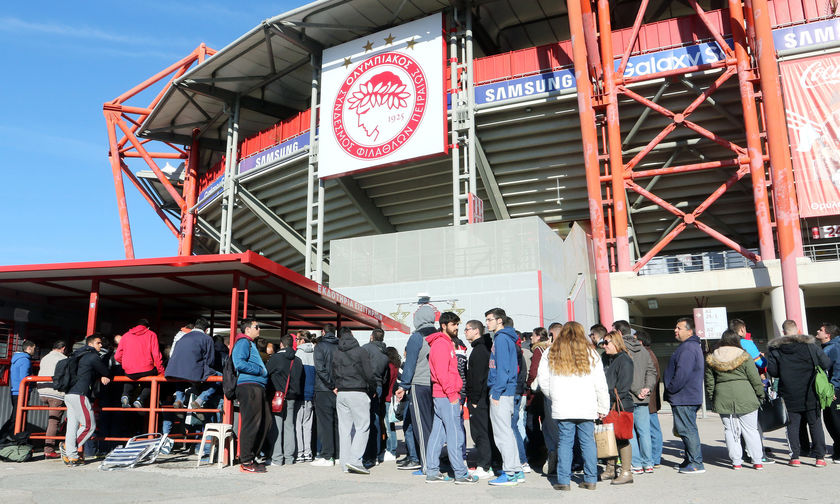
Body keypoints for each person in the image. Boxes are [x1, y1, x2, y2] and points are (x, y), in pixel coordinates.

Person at [535, 321, 609, 491]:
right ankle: (590, 479)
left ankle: (563, 481)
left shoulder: (551, 352)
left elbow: (543, 380)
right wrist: (603, 407)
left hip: (563, 405)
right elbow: (600, 383)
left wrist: (553, 396)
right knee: (588, 442)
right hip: (586, 405)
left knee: (565, 442)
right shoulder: (591, 353)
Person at [424, 311, 479, 484]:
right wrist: (452, 393)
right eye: (453, 324)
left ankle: (432, 471)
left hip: (443, 395)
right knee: (455, 435)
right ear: (444, 326)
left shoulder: (444, 343)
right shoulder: (441, 344)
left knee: (438, 435)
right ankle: (460, 474)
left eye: (457, 324)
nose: (457, 327)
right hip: (447, 396)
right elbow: (441, 372)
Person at [766, 328, 831, 467]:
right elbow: (826, 363)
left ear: (784, 332)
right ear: (798, 331)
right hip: (811, 391)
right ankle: (820, 458)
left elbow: (773, 372)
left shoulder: (775, 349)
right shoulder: (810, 346)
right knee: (815, 424)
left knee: (792, 425)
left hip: (788, 392)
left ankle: (795, 457)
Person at [705, 329, 767, 470]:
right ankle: (757, 460)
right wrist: (760, 394)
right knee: (751, 430)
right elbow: (754, 378)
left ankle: (736, 462)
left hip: (723, 397)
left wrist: (712, 398)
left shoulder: (712, 358)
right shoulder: (744, 356)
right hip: (746, 396)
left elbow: (710, 382)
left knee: (730, 430)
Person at [394, 302, 437, 473]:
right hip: (436, 385)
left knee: (421, 426)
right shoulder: (440, 336)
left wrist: (403, 385)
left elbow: (410, 363)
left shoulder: (416, 337)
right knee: (434, 425)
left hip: (419, 385)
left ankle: (427, 465)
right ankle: (434, 460)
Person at [486, 308, 524, 486]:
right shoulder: (507, 338)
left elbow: (502, 368)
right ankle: (516, 470)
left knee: (502, 434)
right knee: (507, 431)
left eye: (489, 319)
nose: (487, 323)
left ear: (499, 320)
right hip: (507, 390)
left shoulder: (501, 339)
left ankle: (509, 473)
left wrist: (496, 391)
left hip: (501, 390)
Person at [613, 320, 656, 474]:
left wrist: (637, 389)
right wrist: (647, 388)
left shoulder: (620, 349)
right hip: (643, 397)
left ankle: (636, 464)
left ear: (618, 332)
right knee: (644, 431)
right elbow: (652, 371)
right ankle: (648, 463)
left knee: (629, 432)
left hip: (627, 397)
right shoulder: (643, 349)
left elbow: (623, 375)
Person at [61, 335, 110, 466]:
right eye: (99, 343)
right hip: (80, 394)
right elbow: (105, 371)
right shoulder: (93, 357)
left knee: (72, 426)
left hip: (69, 394)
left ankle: (71, 457)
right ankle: (68, 449)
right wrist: (104, 375)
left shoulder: (77, 355)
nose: (101, 345)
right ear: (91, 343)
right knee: (89, 426)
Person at [665, 317, 706, 474]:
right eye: (675, 328)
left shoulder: (688, 348)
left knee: (687, 430)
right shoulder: (689, 346)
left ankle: (696, 463)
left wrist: (671, 388)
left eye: (679, 328)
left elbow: (682, 373)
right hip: (686, 396)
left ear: (690, 331)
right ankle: (690, 459)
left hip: (685, 397)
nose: (675, 330)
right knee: (686, 429)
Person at [332, 327, 374, 474]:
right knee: (362, 426)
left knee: (344, 430)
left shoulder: (336, 353)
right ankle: (355, 460)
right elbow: (369, 373)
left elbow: (333, 372)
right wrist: (373, 389)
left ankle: (345, 464)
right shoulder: (361, 351)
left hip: (342, 392)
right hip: (358, 391)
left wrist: (336, 385)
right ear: (352, 335)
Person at [232, 318, 270, 473]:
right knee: (252, 423)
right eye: (257, 326)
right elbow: (238, 363)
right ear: (247, 329)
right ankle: (246, 460)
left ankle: (250, 457)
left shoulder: (248, 343)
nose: (259, 329)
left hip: (256, 386)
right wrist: (260, 370)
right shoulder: (243, 342)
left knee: (265, 421)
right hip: (249, 386)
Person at [600, 330, 635, 484]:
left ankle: (627, 472)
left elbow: (622, 388)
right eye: (603, 343)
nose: (604, 346)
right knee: (610, 438)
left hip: (620, 405)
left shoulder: (624, 360)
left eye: (607, 342)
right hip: (610, 404)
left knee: (622, 438)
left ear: (616, 343)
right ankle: (610, 469)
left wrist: (606, 396)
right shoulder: (611, 359)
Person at [267, 334, 304, 467]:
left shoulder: (275, 358)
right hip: (293, 397)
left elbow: (267, 374)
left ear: (281, 344)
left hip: (278, 397)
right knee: (290, 427)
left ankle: (277, 458)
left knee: (277, 427)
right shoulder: (298, 360)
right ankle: (289, 458)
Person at [164, 317, 216, 411]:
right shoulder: (207, 339)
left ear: (195, 326)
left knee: (180, 377)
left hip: (173, 371)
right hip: (193, 372)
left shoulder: (182, 336)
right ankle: (199, 400)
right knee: (218, 379)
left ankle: (179, 400)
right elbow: (210, 361)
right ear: (206, 330)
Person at [465, 319, 495, 478]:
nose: (465, 332)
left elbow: (478, 378)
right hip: (483, 398)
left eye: (467, 329)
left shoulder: (479, 351)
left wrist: (474, 400)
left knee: (480, 433)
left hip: (479, 400)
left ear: (476, 331)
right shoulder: (482, 348)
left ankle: (484, 466)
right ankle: (488, 463)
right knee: (484, 431)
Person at [114, 319, 164, 408]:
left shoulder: (125, 336)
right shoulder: (151, 334)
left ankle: (125, 395)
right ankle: (140, 399)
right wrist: (161, 371)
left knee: (130, 378)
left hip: (129, 371)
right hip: (147, 369)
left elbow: (117, 356)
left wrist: (126, 363)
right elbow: (156, 354)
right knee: (151, 382)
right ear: (148, 327)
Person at [312, 324, 340, 467]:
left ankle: (327, 455)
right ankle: (338, 454)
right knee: (336, 422)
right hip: (338, 390)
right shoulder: (340, 345)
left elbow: (320, 369)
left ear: (323, 332)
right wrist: (337, 385)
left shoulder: (320, 346)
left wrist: (330, 385)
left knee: (325, 423)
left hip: (324, 389)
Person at [635, 329, 663, 468]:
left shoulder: (647, 355)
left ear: (640, 342)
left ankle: (655, 458)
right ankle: (654, 458)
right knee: (650, 429)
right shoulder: (647, 353)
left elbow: (653, 376)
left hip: (648, 399)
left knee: (652, 429)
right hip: (648, 398)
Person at [362, 328, 389, 466]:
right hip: (378, 386)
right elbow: (385, 377)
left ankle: (367, 454)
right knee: (376, 418)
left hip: (366, 385)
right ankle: (378, 452)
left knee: (366, 420)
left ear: (372, 336)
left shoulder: (366, 348)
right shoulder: (385, 353)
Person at [37, 340, 67, 458]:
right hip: (55, 392)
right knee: (54, 421)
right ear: (63, 348)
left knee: (52, 420)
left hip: (42, 391)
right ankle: (49, 450)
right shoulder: (63, 359)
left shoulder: (45, 358)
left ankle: (51, 447)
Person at [816, 323, 840, 463]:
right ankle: (837, 450)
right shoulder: (828, 347)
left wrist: (833, 388)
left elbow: (837, 369)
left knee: (836, 421)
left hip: (835, 390)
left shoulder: (834, 347)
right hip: (830, 390)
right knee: (830, 420)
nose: (817, 331)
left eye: (821, 330)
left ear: (828, 335)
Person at [2, 340, 36, 437]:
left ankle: (13, 437)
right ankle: (6, 437)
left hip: (15, 391)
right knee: (17, 417)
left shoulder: (17, 359)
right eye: (34, 348)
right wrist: (34, 382)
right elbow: (24, 377)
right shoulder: (25, 360)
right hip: (22, 392)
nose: (35, 351)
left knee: (17, 416)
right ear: (29, 348)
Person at [295, 331, 316, 463]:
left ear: (302, 341)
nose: (296, 341)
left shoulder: (298, 354)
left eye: (297, 339)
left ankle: (300, 452)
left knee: (298, 424)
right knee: (308, 424)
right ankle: (308, 452)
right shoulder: (315, 354)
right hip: (311, 393)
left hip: (300, 393)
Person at [383, 346, 401, 462]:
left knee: (387, 427)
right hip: (392, 398)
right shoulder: (396, 366)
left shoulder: (388, 367)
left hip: (386, 399)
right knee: (391, 426)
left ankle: (391, 449)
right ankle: (392, 449)